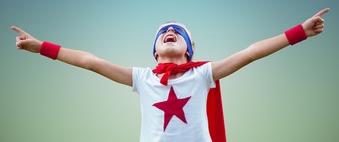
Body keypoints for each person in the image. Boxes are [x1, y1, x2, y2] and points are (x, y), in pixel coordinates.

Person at [11, 8, 330, 142]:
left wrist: (298, 33)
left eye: (178, 31)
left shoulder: (204, 74)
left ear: (189, 50)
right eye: (164, 31)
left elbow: (252, 51)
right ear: (155, 52)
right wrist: (41, 48)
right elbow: (90, 61)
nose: (170, 31)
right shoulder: (142, 78)